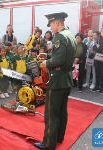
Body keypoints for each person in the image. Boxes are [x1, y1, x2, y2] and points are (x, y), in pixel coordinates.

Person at [34, 12, 76, 150]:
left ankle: (48, 143)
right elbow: (63, 54)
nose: (51, 28)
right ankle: (59, 137)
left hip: (58, 80)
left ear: (57, 23)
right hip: (67, 78)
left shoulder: (59, 36)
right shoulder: (70, 34)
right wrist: (47, 55)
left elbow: (59, 60)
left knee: (51, 113)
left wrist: (45, 62)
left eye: (51, 25)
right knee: (62, 111)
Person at [91, 29, 103, 94]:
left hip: (102, 59)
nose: (102, 32)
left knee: (102, 73)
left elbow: (100, 48)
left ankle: (101, 87)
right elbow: (94, 47)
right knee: (97, 73)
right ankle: (97, 86)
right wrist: (99, 48)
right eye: (102, 31)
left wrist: (99, 48)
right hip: (97, 58)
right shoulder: (99, 39)